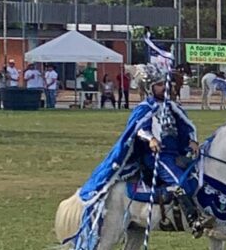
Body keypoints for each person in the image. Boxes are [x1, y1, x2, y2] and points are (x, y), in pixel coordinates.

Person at [78, 64, 212, 238]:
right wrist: (151, 139)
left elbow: (186, 126)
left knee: (198, 174)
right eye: (159, 85)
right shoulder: (145, 107)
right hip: (157, 156)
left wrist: (192, 140)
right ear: (149, 88)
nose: (164, 87)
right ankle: (193, 219)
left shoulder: (172, 106)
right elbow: (139, 128)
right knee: (179, 181)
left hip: (176, 154)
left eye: (165, 83)